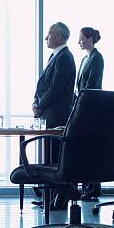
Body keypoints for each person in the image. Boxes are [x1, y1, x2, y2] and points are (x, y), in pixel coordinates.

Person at [32, 22, 76, 210]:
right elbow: (43, 85)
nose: (46, 38)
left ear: (58, 36)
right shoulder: (56, 56)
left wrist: (40, 106)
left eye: (49, 35)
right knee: (50, 155)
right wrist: (36, 102)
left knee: (57, 157)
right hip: (49, 113)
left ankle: (60, 198)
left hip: (58, 114)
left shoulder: (65, 57)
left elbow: (55, 88)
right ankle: (51, 196)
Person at [76, 27, 105, 201]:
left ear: (90, 39)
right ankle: (87, 187)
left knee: (91, 148)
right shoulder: (84, 59)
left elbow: (92, 85)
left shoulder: (96, 57)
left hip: (91, 109)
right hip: (82, 108)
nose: (79, 42)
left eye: (81, 39)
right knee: (84, 149)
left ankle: (93, 188)